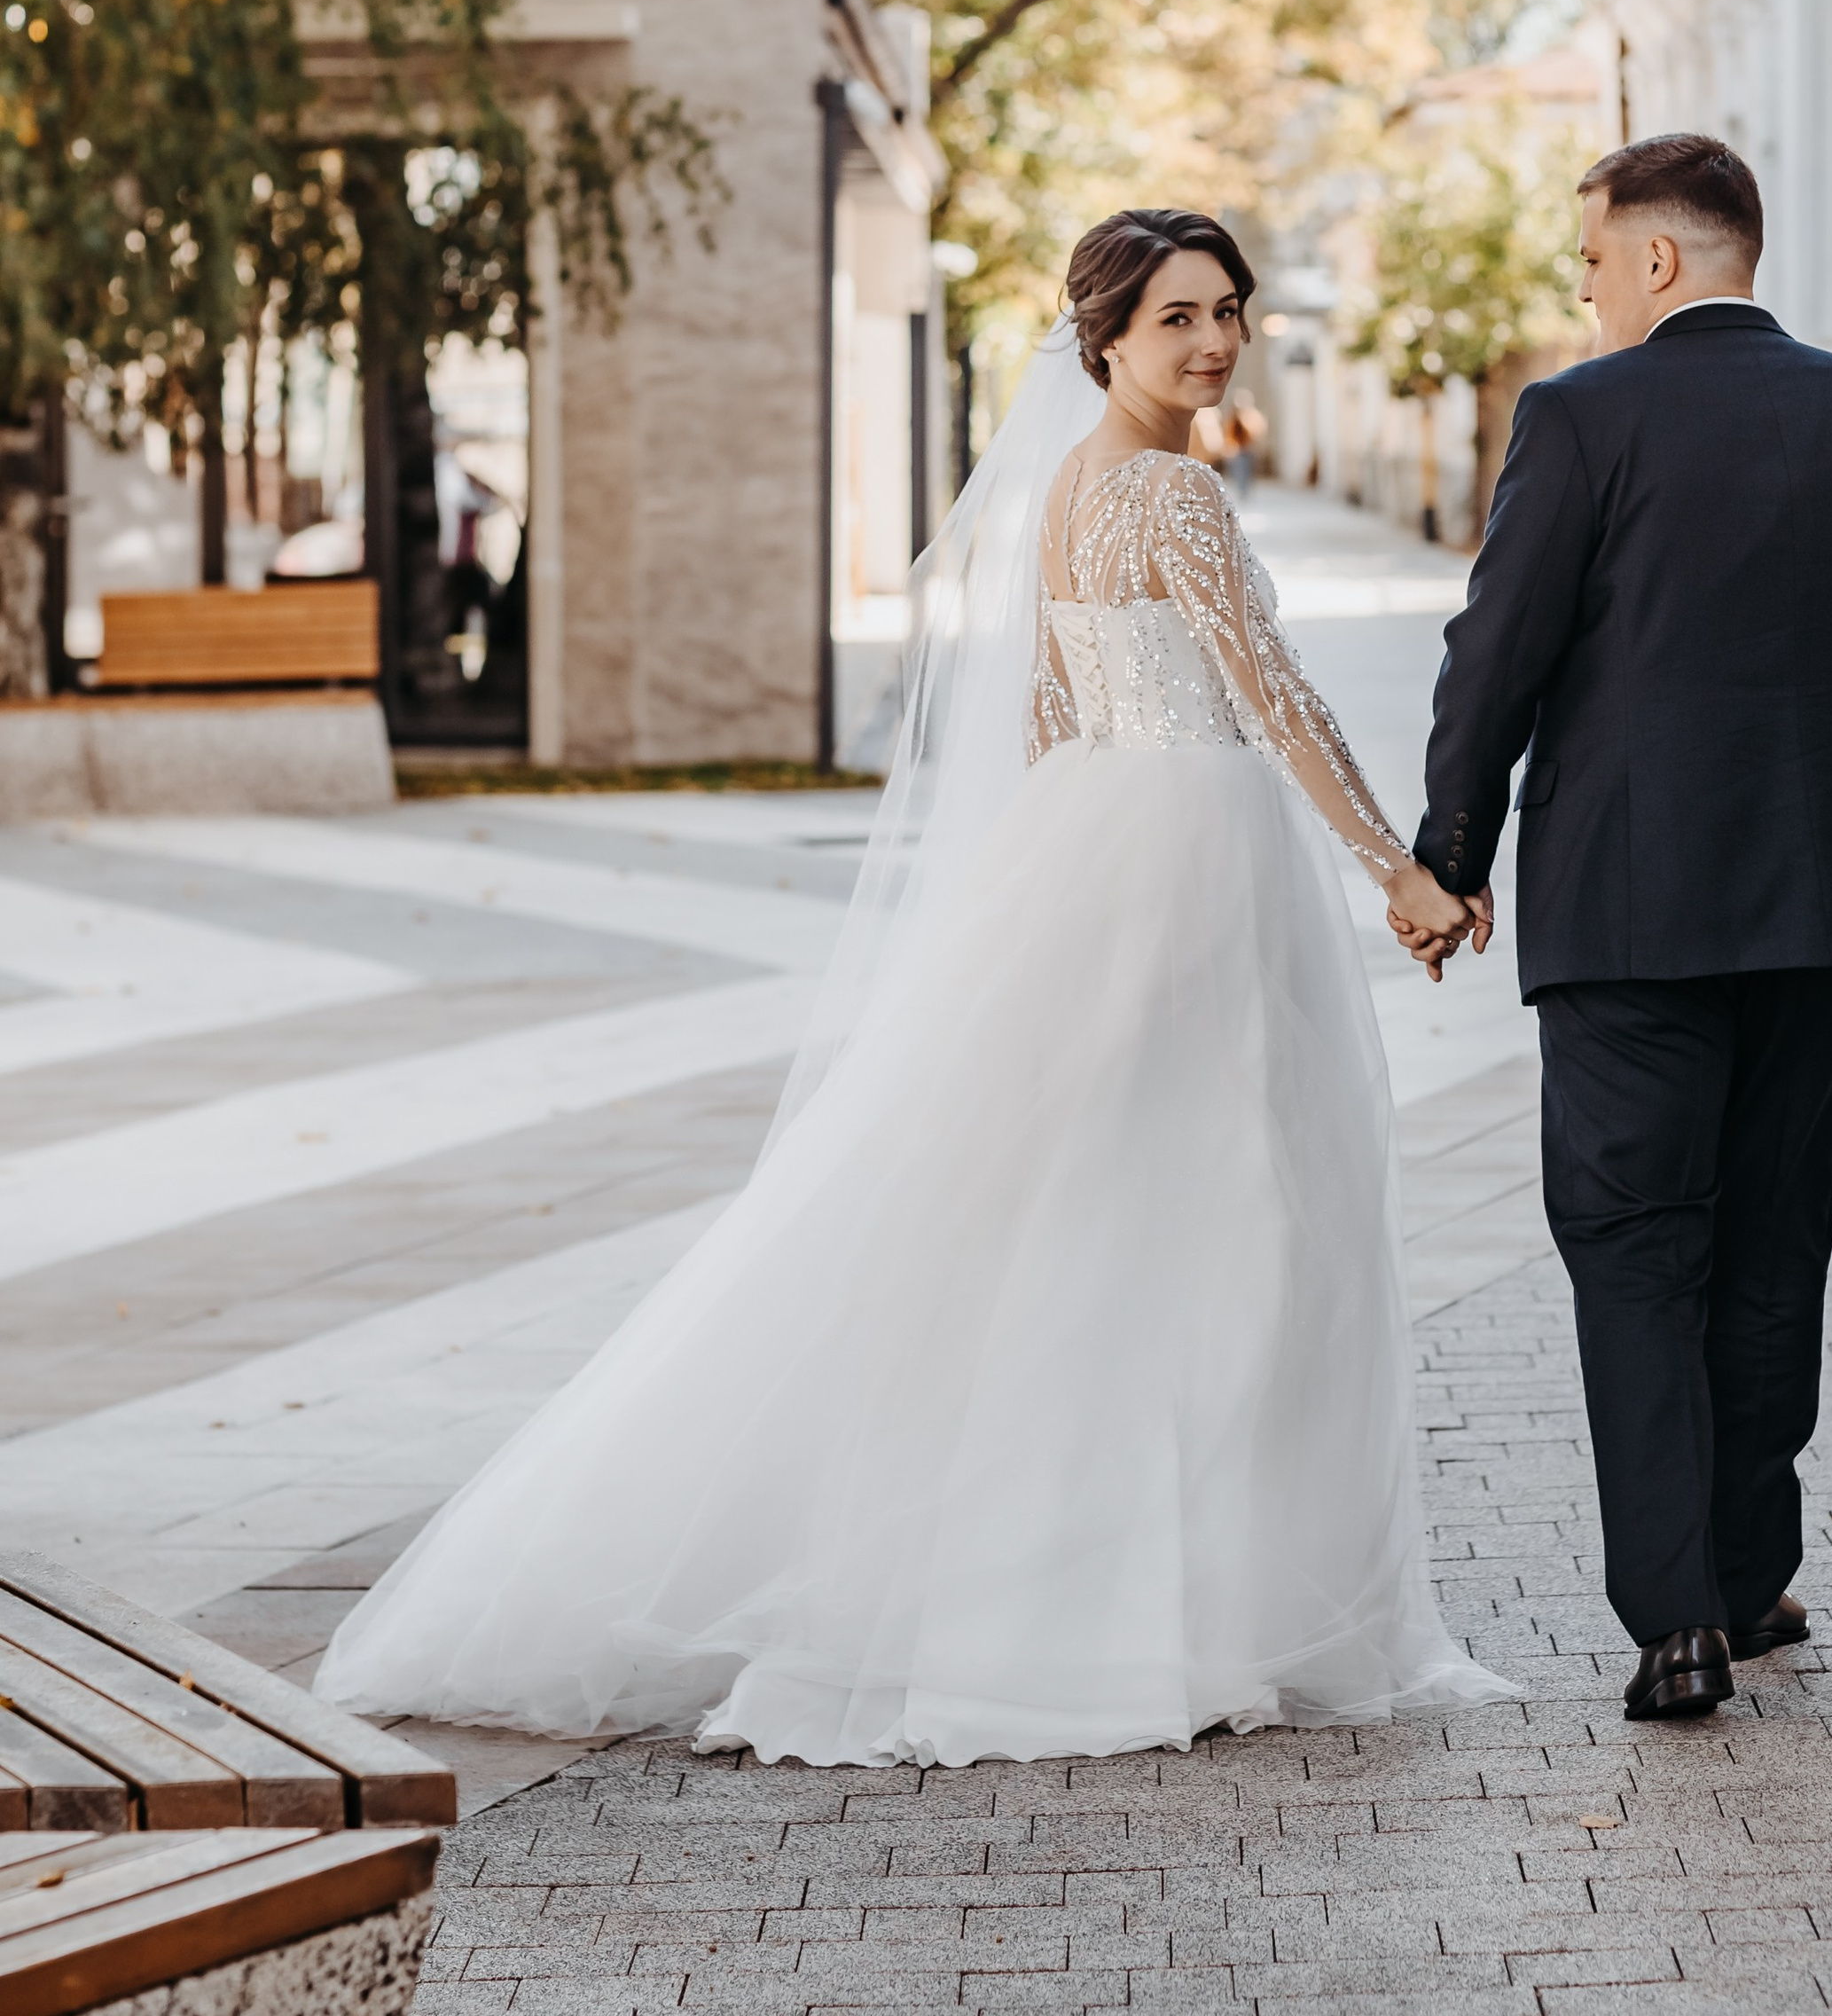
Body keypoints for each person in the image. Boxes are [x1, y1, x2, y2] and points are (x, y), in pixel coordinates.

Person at [317, 207, 1504, 1767]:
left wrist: (1039, 899)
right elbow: (1273, 702)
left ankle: (1134, 1594)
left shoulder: (1076, 486)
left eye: (1229, 311)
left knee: (1118, 1219)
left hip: (1108, 849)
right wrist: (1398, 875)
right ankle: (1157, 1612)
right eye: (1177, 320)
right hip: (1186, 860)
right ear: (1105, 339)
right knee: (1211, 1217)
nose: (1213, 342)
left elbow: (1050, 717)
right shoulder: (1172, 494)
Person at [1402, 134, 1832, 1726]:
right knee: (1777, 1236)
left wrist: (1452, 851)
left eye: (1588, 261)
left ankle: (1677, 1625)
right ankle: (1748, 1570)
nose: (1580, 290)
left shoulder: (1583, 418)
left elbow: (1492, 658)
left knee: (1639, 1250)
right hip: (1831, 914)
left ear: (1657, 259)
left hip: (1632, 916)